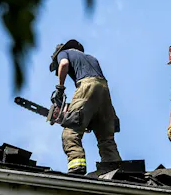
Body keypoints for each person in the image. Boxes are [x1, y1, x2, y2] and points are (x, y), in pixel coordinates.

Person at [49, 39, 121, 174]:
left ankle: (77, 165)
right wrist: (88, 118)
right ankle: (114, 167)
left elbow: (64, 64)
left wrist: (60, 88)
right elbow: (91, 100)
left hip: (86, 85)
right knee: (105, 136)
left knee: (70, 131)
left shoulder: (63, 53)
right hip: (104, 89)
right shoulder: (91, 58)